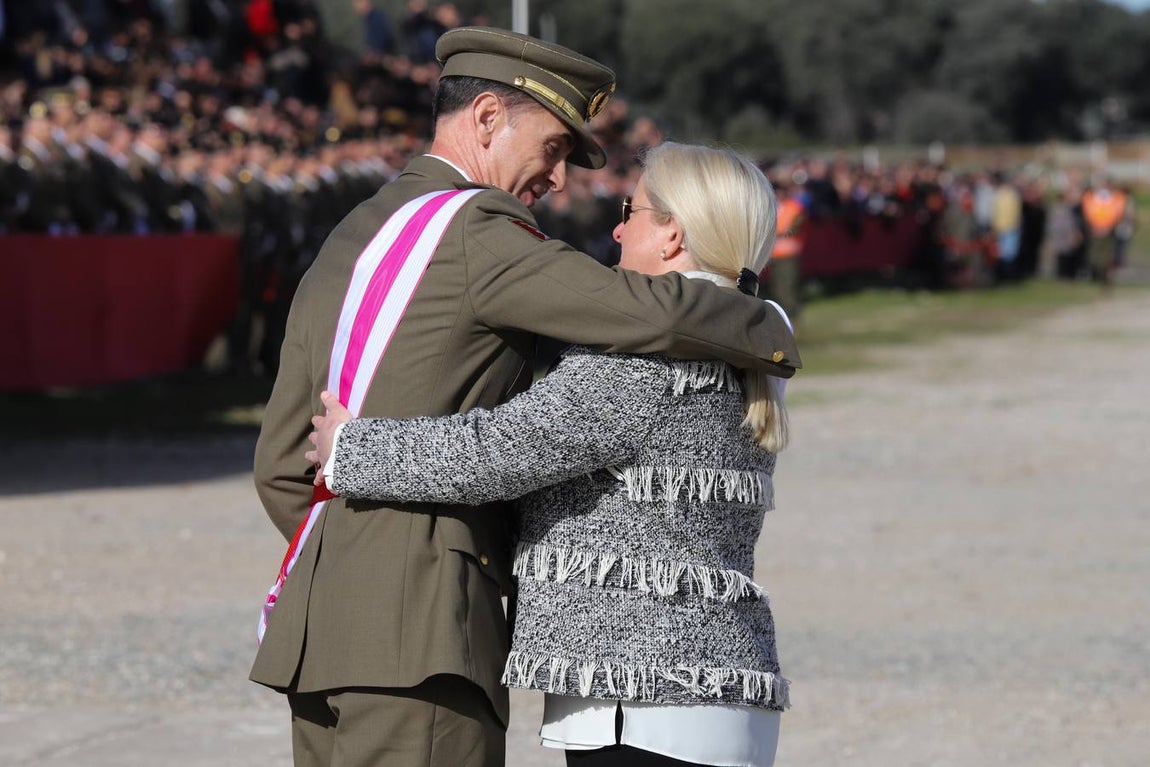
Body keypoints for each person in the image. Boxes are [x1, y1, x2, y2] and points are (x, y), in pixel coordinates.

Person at [249, 27, 800, 767]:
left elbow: (283, 462)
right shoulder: (481, 230)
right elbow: (648, 310)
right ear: (485, 119)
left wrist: (352, 565)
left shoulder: (354, 233)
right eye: (551, 148)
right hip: (423, 638)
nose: (561, 181)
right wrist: (767, 323)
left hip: (316, 633)